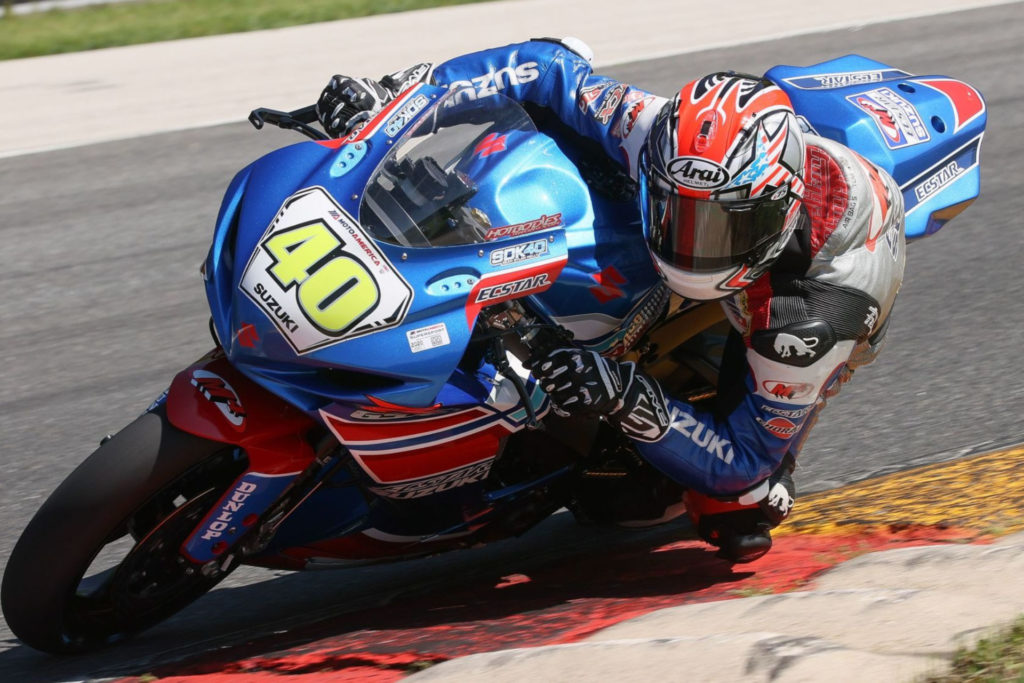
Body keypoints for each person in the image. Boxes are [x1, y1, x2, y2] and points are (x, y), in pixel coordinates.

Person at [314, 38, 906, 562]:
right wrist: (400, 100)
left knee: (719, 501)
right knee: (553, 124)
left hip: (808, 284)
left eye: (717, 229)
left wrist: (624, 394)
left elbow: (740, 457)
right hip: (741, 183)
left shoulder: (810, 315)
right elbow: (548, 66)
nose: (689, 243)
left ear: (777, 212)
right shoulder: (654, 132)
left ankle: (762, 459)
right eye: (677, 212)